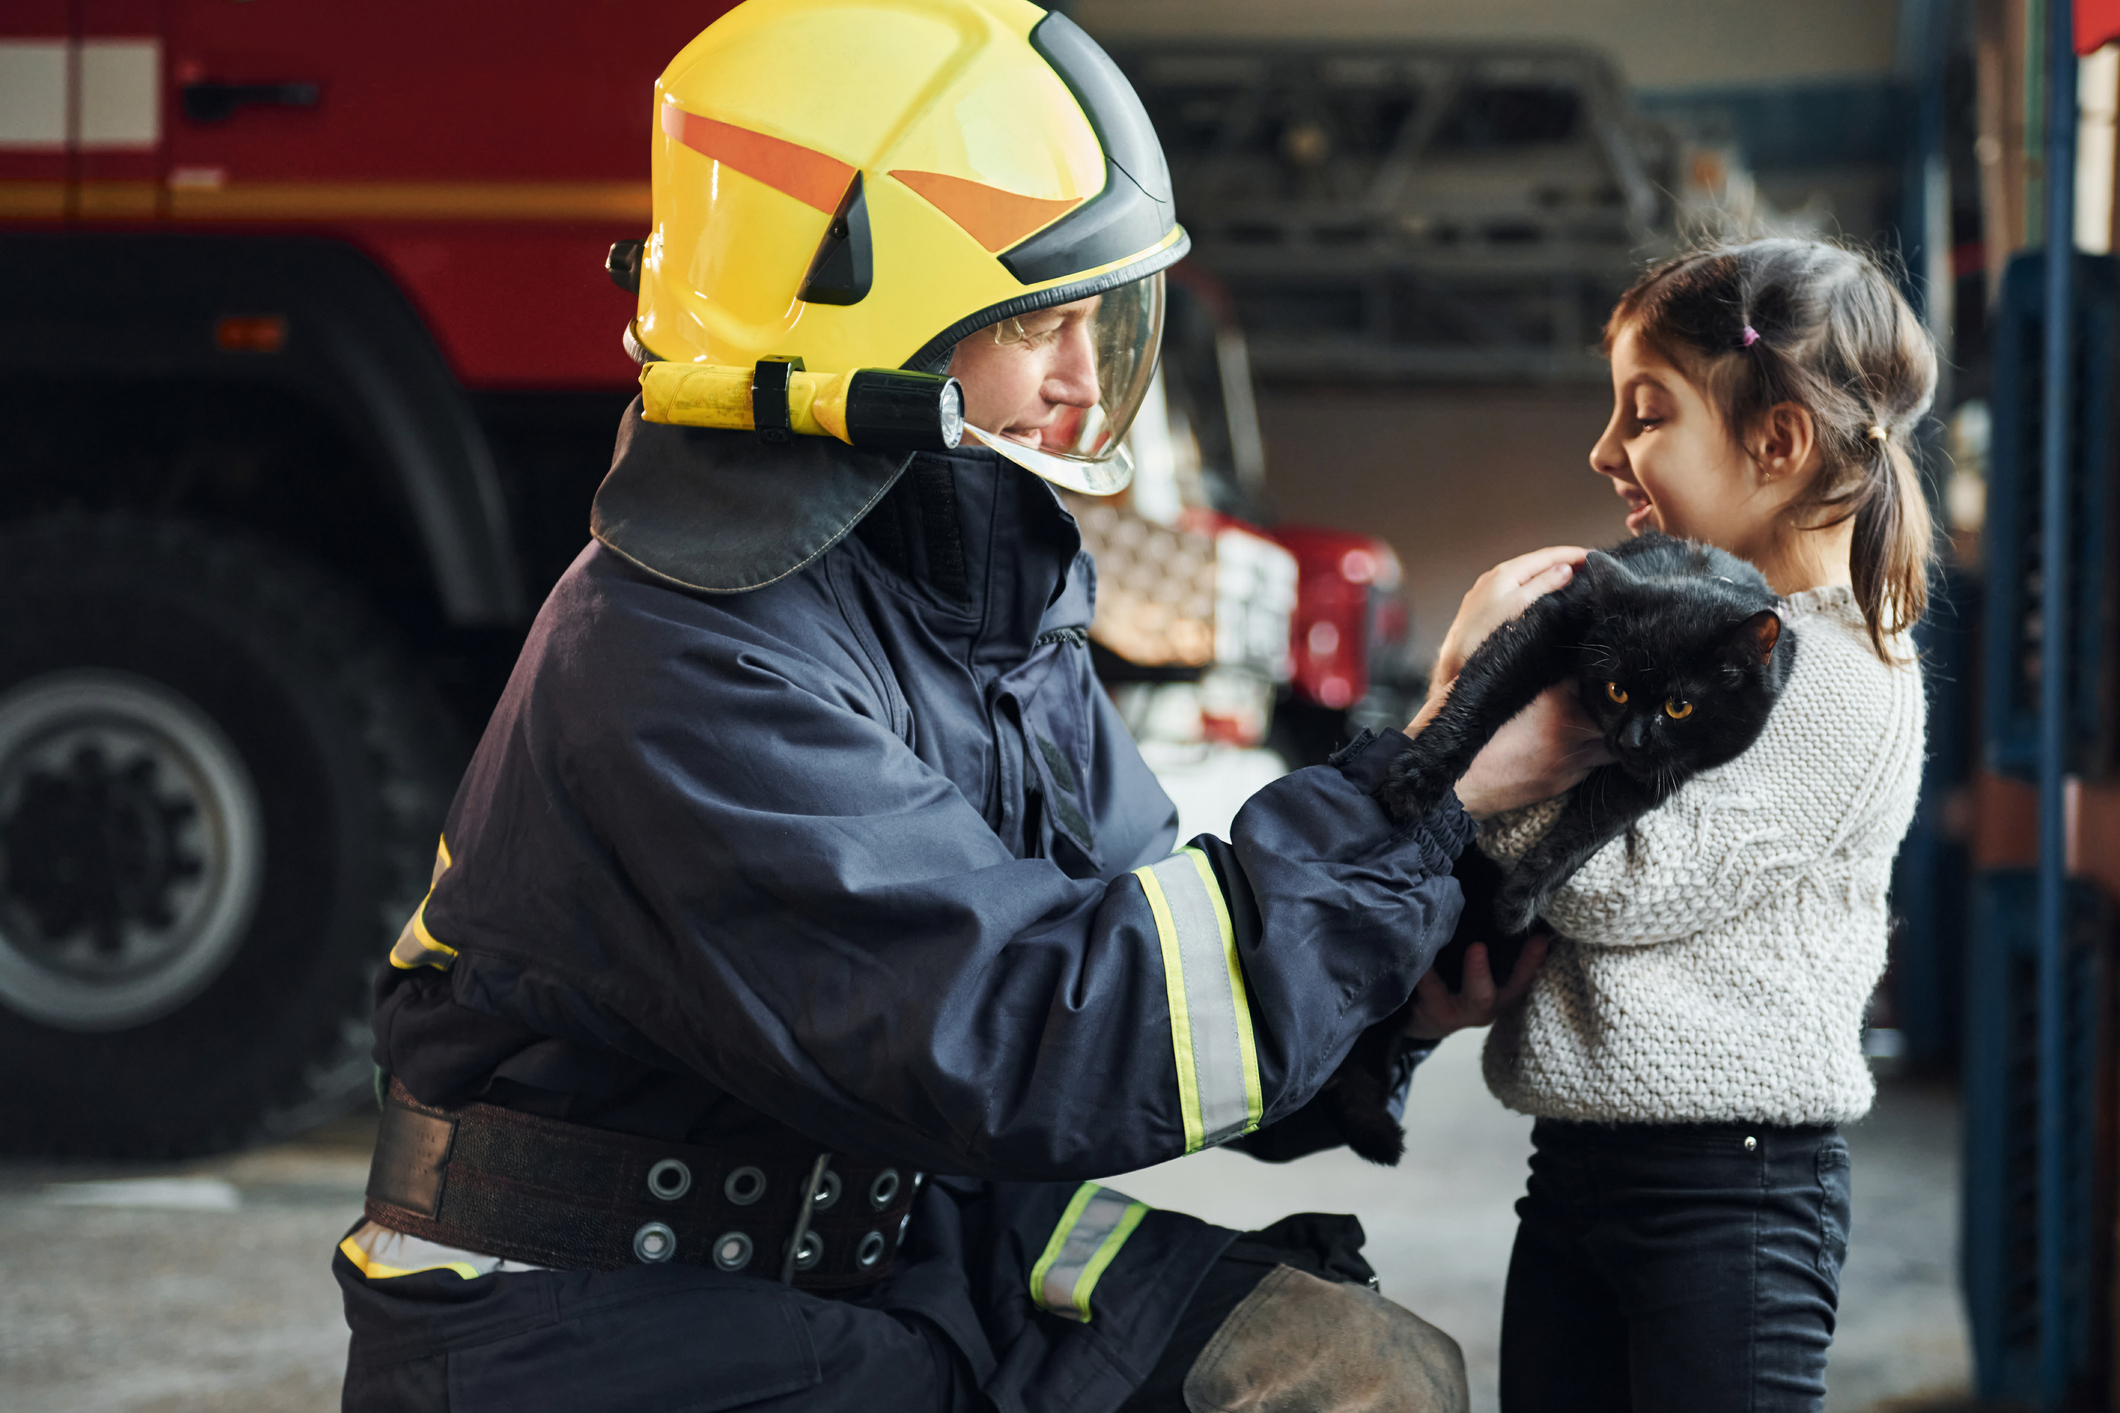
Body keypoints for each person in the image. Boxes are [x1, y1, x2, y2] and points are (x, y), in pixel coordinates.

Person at [329, 3, 1602, 1410]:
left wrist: (1402, 971)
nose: (1076, 379)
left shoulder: (979, 600)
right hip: (601, 1320)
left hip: (872, 1239)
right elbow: (1038, 1041)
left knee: (1365, 1377)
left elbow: (1137, 962)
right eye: (1033, 320)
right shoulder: (672, 658)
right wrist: (1421, 791)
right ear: (866, 329)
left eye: (1093, 317)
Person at [1414, 238, 1934, 1413]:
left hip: (1730, 1195)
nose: (1603, 452)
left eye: (1644, 416)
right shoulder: (1695, 636)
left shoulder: (1843, 676)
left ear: (1778, 441)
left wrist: (1468, 710)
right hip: (1577, 1168)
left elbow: (1609, 886)